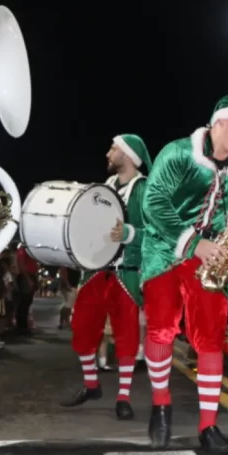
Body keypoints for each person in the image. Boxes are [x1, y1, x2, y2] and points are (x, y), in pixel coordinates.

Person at [140, 95, 228, 453]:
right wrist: (193, 243)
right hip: (164, 253)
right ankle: (161, 405)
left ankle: (208, 425)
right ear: (220, 122)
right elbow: (154, 202)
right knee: (161, 330)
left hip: (210, 262)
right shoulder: (177, 153)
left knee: (210, 338)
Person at [64, 134, 151, 420]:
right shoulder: (101, 189)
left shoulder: (146, 190)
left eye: (113, 149)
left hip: (125, 274)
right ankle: (92, 385)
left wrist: (130, 234)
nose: (108, 153)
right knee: (81, 328)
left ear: (127, 155)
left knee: (126, 336)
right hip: (95, 271)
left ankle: (123, 397)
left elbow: (161, 233)